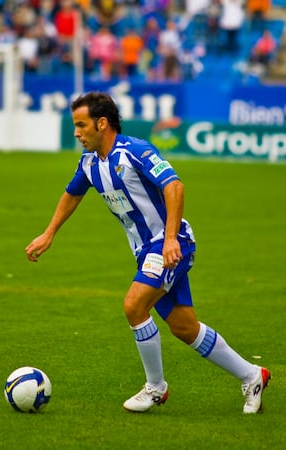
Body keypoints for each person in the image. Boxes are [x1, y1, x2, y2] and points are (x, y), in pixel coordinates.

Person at [25, 91, 271, 414]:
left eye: (81, 125)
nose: (76, 132)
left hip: (171, 242)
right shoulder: (88, 163)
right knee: (185, 327)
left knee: (134, 304)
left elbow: (175, 187)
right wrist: (49, 233)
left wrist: (170, 240)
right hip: (147, 251)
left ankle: (156, 387)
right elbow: (71, 195)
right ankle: (252, 375)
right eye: (74, 125)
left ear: (102, 123)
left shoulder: (135, 151)